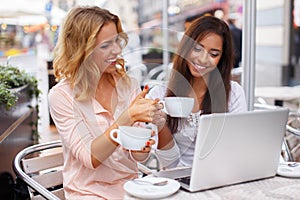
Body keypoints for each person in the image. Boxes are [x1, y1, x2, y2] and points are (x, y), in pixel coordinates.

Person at [48, 6, 164, 199]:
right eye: (105, 46)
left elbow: (138, 156)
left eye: (117, 41)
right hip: (87, 193)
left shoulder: (128, 85)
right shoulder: (62, 96)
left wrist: (142, 148)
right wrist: (129, 116)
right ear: (81, 51)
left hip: (132, 190)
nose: (117, 50)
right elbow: (90, 157)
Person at [147, 16, 247, 169]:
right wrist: (161, 125)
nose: (202, 59)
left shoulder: (233, 92)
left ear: (222, 58)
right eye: (197, 48)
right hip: (178, 180)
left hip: (222, 175)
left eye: (213, 54)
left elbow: (238, 147)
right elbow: (170, 163)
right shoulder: (159, 95)